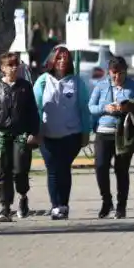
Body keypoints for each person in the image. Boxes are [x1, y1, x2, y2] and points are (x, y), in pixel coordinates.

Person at [0, 52, 40, 222]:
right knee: (3, 170)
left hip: (21, 133)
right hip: (2, 132)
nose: (14, 68)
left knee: (20, 170)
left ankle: (23, 196)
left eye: (16, 65)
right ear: (3, 68)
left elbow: (33, 112)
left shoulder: (25, 87)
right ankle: (5, 207)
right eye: (10, 65)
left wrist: (34, 133)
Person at [33, 46, 92, 220]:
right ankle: (55, 206)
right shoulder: (43, 81)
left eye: (65, 59)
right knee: (52, 170)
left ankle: (64, 205)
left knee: (64, 168)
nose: (61, 62)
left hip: (71, 135)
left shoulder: (76, 82)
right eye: (58, 59)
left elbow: (84, 109)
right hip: (47, 134)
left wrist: (86, 132)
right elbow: (35, 107)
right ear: (52, 61)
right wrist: (36, 130)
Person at [88, 56, 134, 219]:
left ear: (125, 72)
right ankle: (106, 201)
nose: (118, 77)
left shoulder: (133, 85)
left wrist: (127, 106)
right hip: (103, 132)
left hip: (123, 133)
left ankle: (121, 206)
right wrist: (105, 107)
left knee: (121, 170)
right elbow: (91, 107)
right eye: (114, 73)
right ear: (109, 72)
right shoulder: (101, 86)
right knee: (100, 167)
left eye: (121, 73)